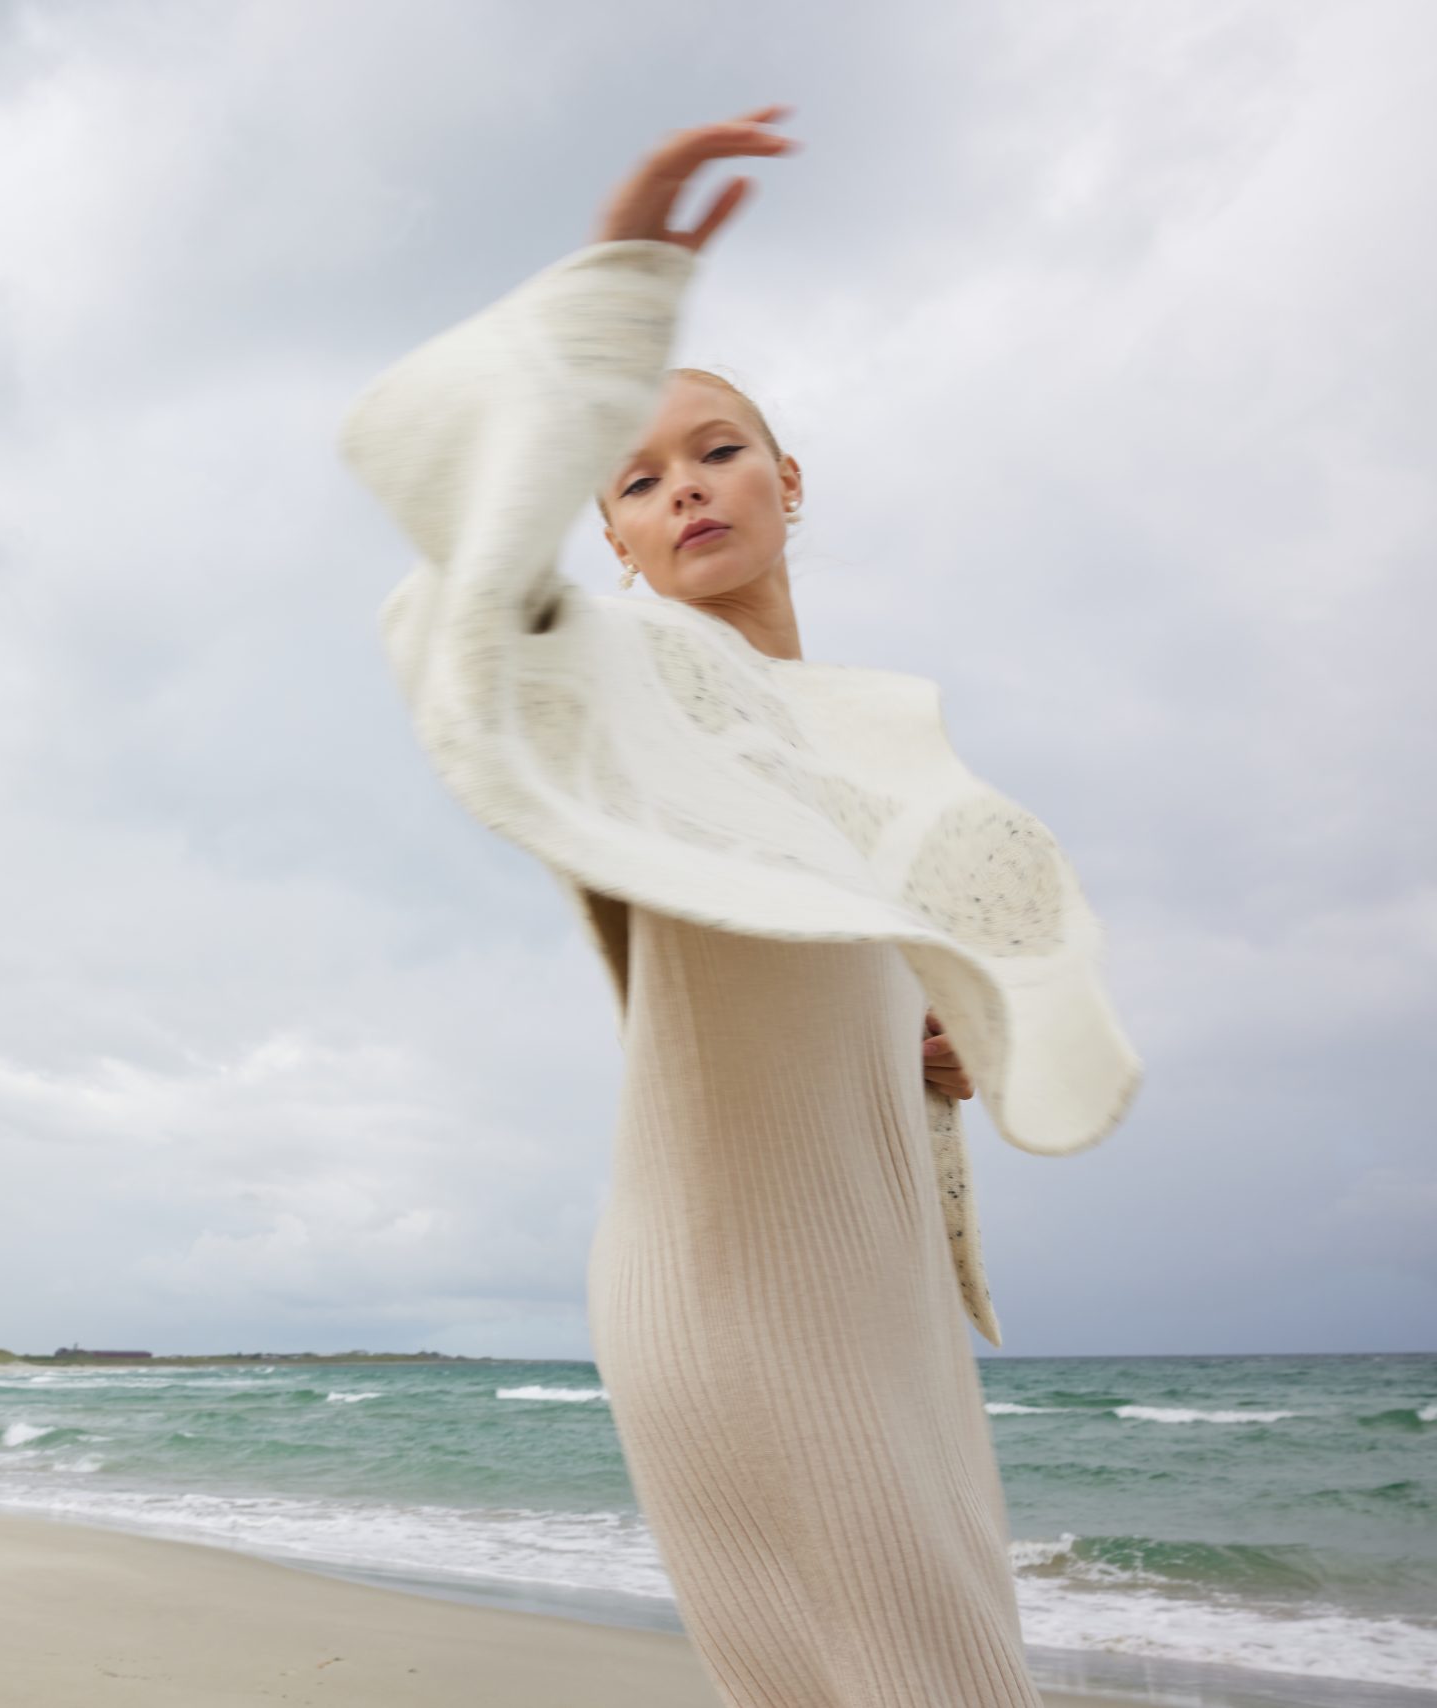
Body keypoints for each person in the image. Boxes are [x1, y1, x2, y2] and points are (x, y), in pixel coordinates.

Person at [339, 109, 1140, 1706]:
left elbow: (839, 986)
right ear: (616, 542)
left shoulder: (863, 744)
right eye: (632, 480)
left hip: (882, 1284)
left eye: (714, 451)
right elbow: (464, 588)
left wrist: (925, 1049)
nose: (684, 489)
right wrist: (614, 291)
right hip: (737, 1292)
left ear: (788, 477)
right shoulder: (634, 690)